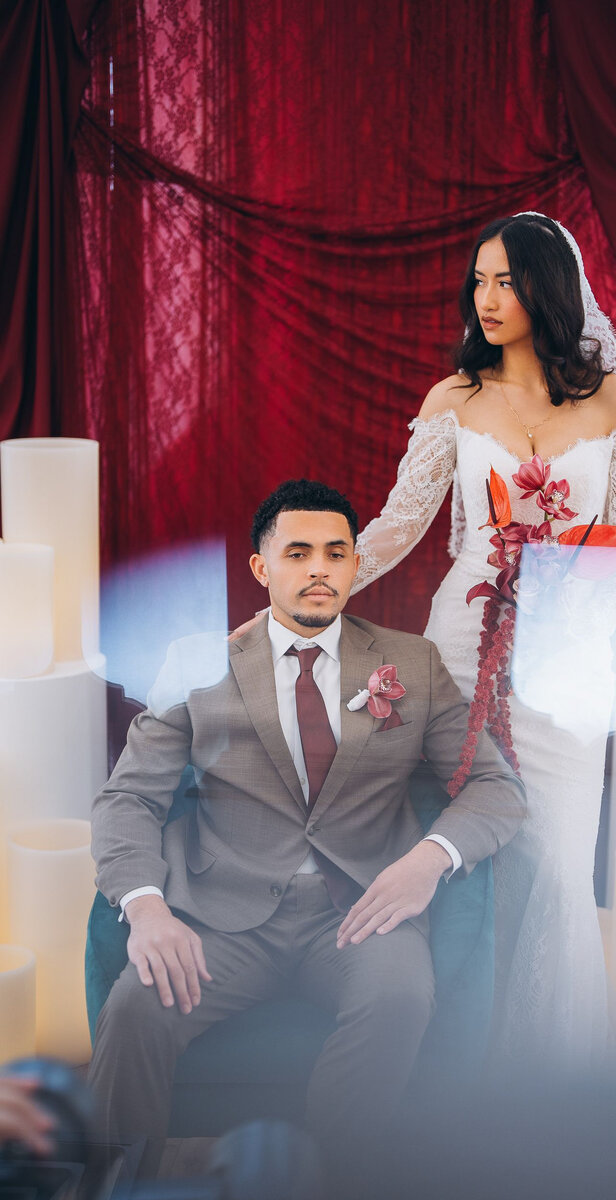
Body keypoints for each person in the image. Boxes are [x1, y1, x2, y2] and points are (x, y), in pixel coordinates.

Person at [88, 479, 525, 1173]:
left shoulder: (411, 663)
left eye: (335, 552)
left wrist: (429, 860)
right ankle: (115, 1179)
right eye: (298, 552)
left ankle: (324, 1177)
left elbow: (496, 789)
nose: (319, 567)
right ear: (263, 568)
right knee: (136, 1009)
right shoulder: (197, 663)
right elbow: (129, 799)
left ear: (355, 564)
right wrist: (145, 908)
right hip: (221, 916)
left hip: (358, 913)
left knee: (402, 997)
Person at [348, 211, 616, 1072]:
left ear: (547, 288)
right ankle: (463, 1070)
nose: (486, 298)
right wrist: (326, 577)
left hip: (568, 664)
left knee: (555, 857)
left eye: (506, 281)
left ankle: (548, 1075)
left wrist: (570, 615)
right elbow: (403, 524)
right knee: (468, 848)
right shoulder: (454, 399)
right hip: (461, 644)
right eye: (479, 280)